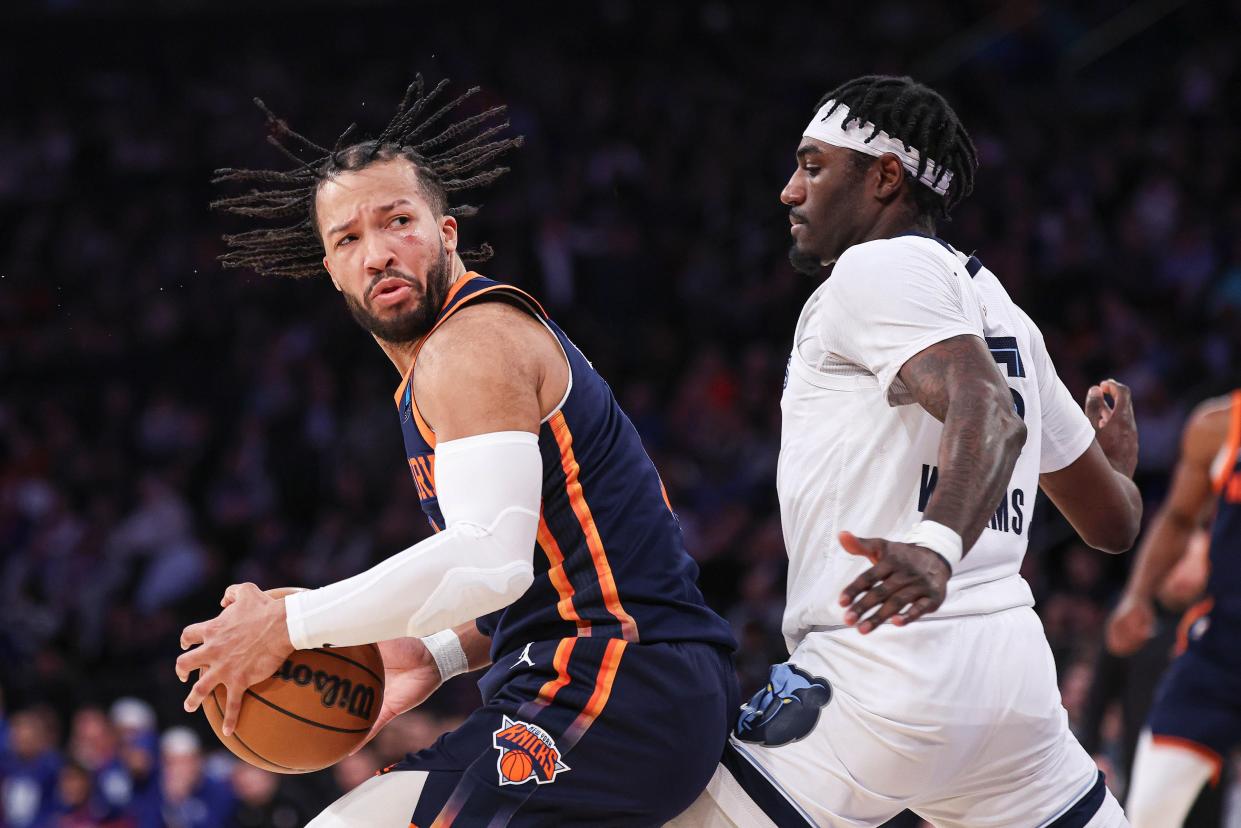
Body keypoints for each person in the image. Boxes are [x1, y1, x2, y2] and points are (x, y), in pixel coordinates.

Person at [175, 77, 738, 827]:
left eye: (397, 221)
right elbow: (540, 572)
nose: (376, 253)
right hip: (598, 680)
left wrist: (292, 623)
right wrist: (428, 659)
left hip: (620, 681)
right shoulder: (437, 368)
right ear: (330, 270)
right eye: (348, 239)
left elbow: (487, 562)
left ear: (445, 233)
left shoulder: (471, 345)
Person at [673, 75, 1142, 827]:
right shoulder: (1007, 315)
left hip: (877, 672)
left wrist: (933, 544)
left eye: (813, 165)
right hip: (1011, 685)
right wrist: (1117, 465)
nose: (789, 191)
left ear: (884, 176)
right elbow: (1111, 524)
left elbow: (985, 413)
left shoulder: (877, 267)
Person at [1106, 391, 1241, 827]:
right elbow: (1180, 517)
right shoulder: (1216, 425)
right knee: (1147, 814)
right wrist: (1138, 595)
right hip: (1220, 648)